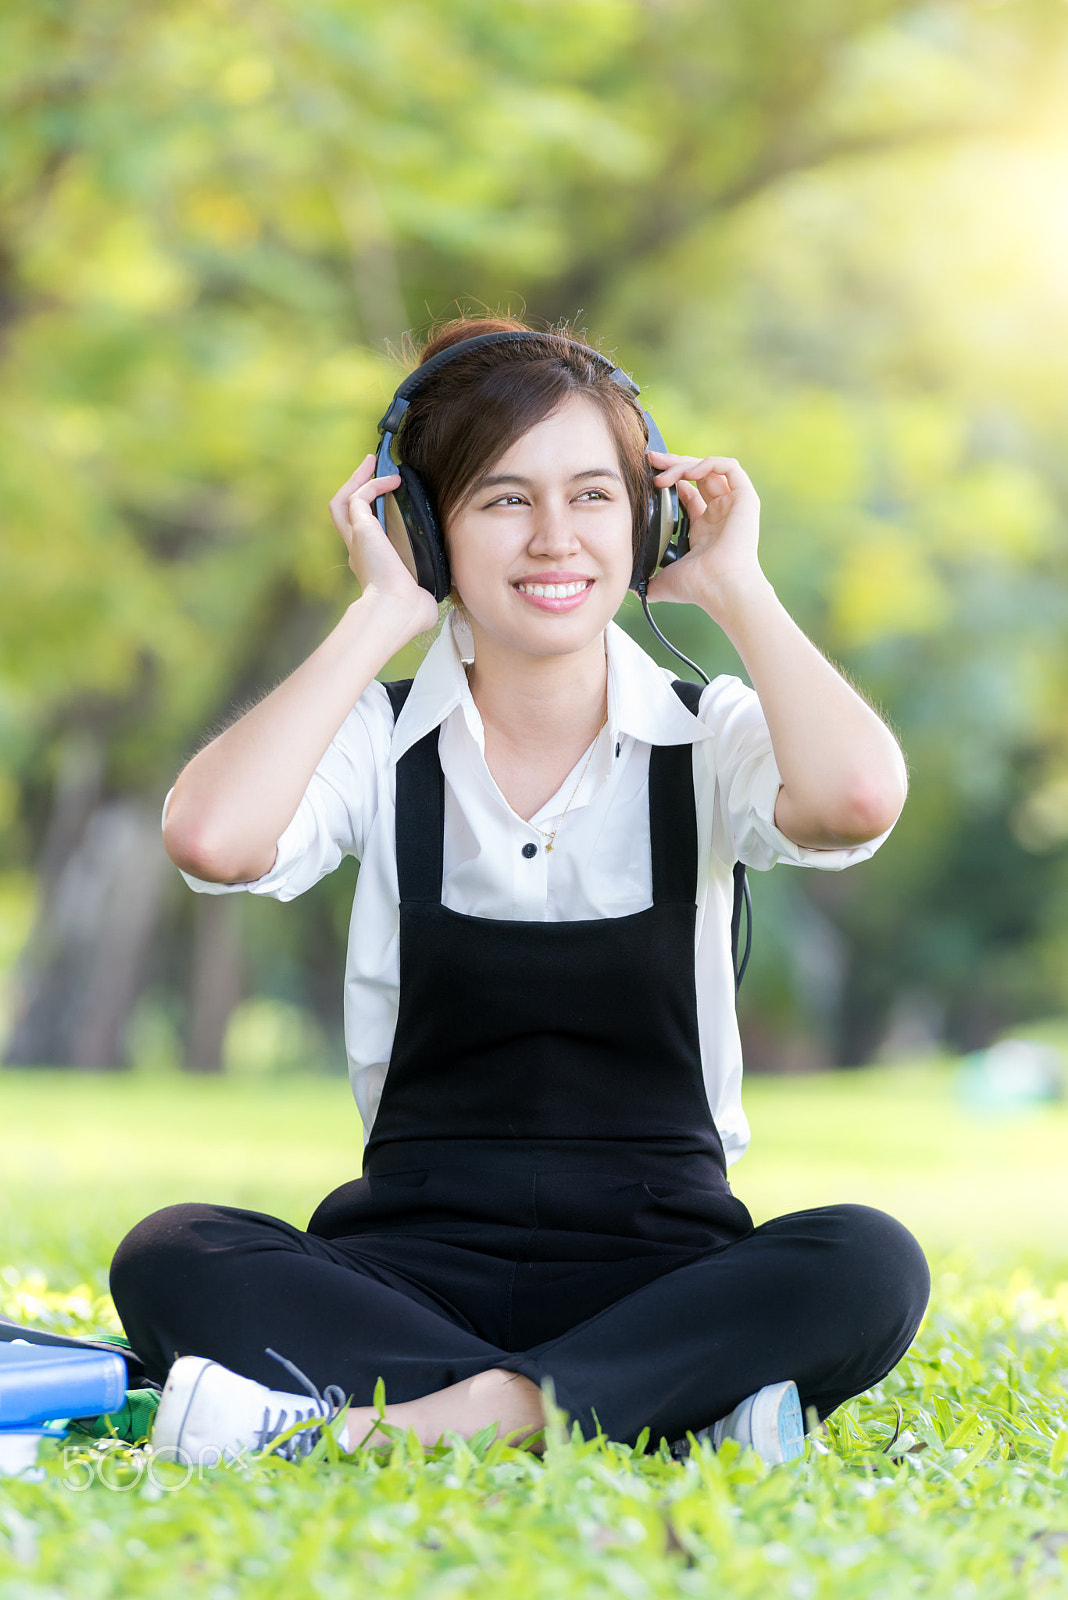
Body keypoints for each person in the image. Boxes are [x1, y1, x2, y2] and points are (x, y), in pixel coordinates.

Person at [110, 315, 929, 1467]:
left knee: (870, 1259)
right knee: (174, 1250)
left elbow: (854, 798)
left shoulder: (713, 736)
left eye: (595, 496)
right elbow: (210, 837)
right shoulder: (374, 739)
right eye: (503, 500)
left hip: (661, 1271)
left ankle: (395, 1432)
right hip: (410, 1274)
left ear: (646, 524)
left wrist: (739, 590)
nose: (556, 538)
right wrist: (379, 616)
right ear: (427, 535)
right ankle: (661, 1413)